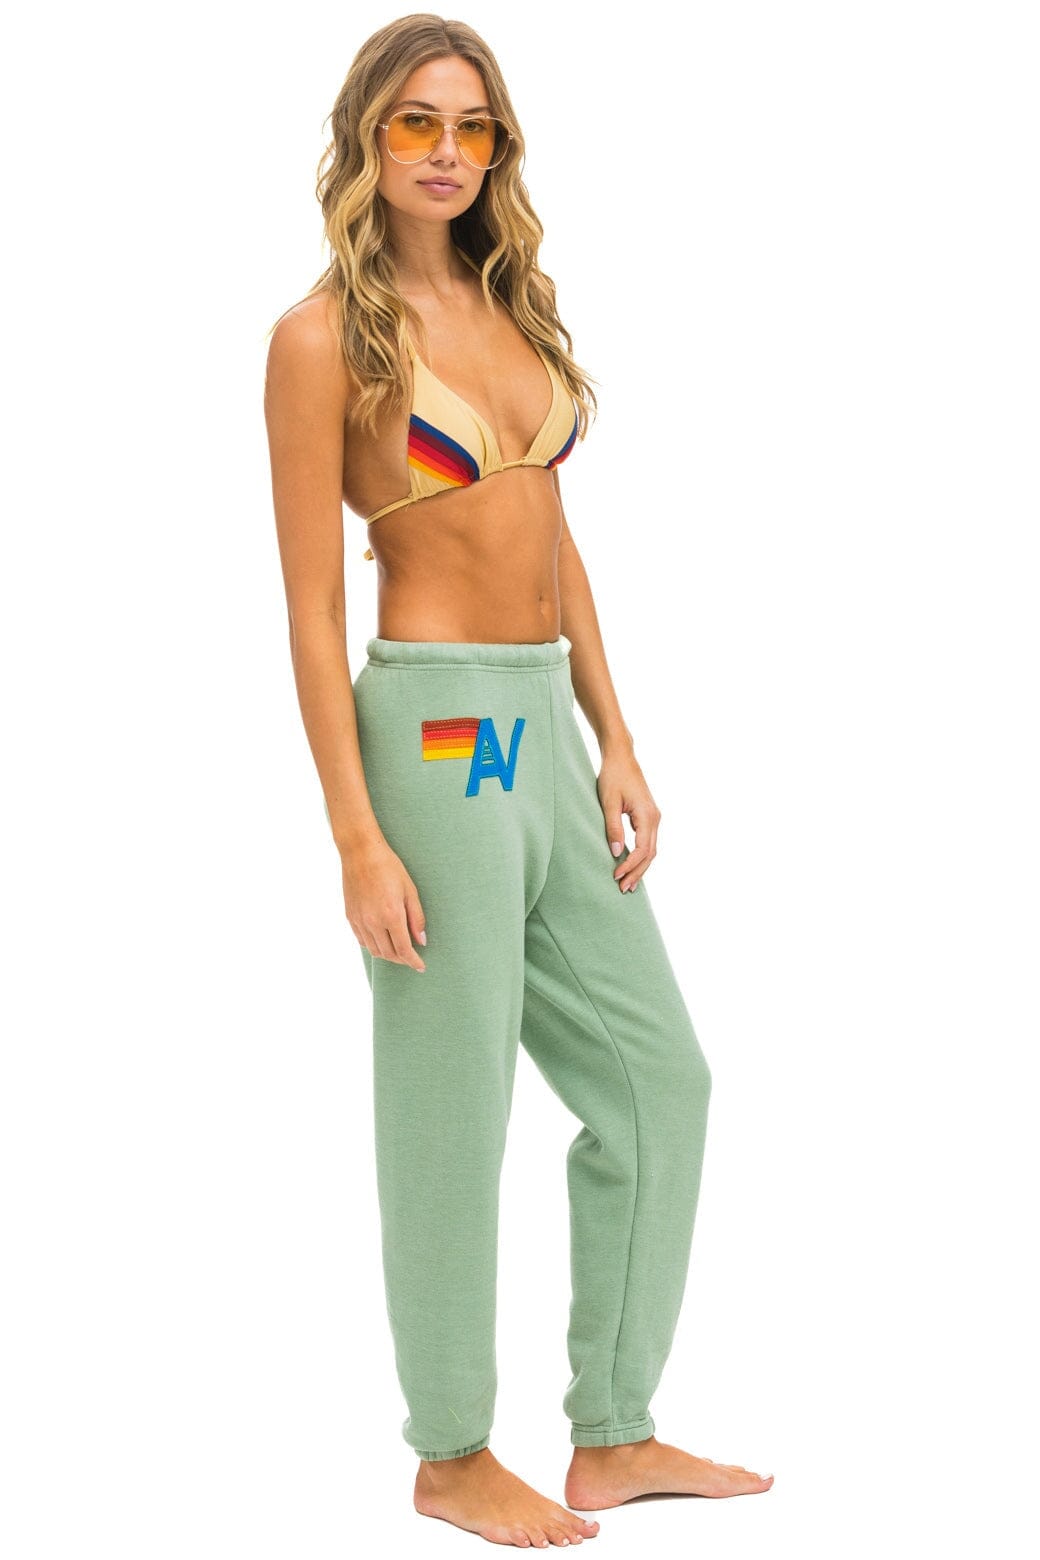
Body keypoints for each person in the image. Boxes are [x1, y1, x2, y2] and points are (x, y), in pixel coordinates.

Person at [263, 12, 773, 1549]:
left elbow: (552, 539)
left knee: (659, 1079)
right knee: (452, 1099)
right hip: (436, 735)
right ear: (366, 139)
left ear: (498, 149)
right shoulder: (319, 340)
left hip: (540, 726)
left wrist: (616, 736)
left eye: (470, 126)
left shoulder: (511, 307)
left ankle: (612, 1431)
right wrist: (356, 835)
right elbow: (311, 608)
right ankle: (451, 1453)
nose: (445, 151)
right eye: (414, 122)